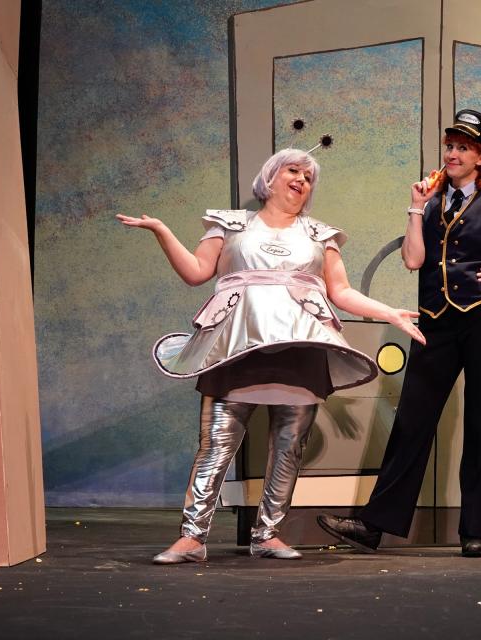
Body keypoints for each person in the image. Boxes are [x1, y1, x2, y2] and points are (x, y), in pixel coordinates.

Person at [117, 148, 424, 563]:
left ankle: (268, 534)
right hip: (238, 346)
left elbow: (342, 292)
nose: (301, 179)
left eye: (309, 176)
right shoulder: (229, 225)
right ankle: (192, 537)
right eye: (293, 170)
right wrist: (160, 230)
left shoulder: (320, 235)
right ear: (270, 178)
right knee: (215, 445)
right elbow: (195, 273)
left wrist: (389, 312)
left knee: (289, 445)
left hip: (300, 347)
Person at [318, 110, 481, 557]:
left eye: (463, 147)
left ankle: (474, 531)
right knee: (412, 420)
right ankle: (374, 526)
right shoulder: (430, 200)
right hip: (436, 320)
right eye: (450, 145)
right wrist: (415, 207)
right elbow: (413, 260)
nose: (452, 153)